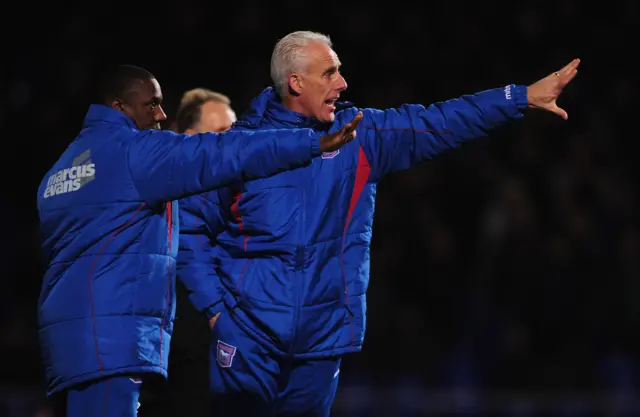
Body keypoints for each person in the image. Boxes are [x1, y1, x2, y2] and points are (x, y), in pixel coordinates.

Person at [178, 31, 581, 417]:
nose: (343, 82)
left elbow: (439, 121)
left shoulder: (359, 136)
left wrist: (518, 98)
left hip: (321, 340)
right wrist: (217, 310)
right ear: (296, 82)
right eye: (330, 73)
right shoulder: (238, 147)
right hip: (249, 337)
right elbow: (191, 228)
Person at [36, 64, 363, 417]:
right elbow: (227, 152)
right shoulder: (137, 151)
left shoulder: (59, 171)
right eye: (151, 104)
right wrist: (312, 142)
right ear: (119, 107)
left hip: (67, 339)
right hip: (112, 337)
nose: (162, 114)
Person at [138, 88, 238, 417]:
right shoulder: (165, 188)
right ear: (190, 138)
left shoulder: (243, 193)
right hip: (182, 333)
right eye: (222, 133)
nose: (233, 141)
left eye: (234, 131)